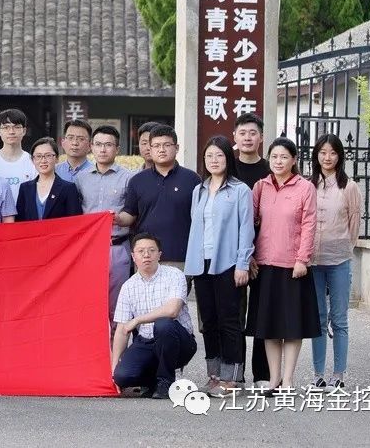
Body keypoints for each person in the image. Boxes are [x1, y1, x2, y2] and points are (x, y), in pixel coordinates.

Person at [246, 137, 320, 394]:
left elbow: (309, 225)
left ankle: (288, 380)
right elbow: (250, 223)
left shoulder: (305, 188)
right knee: (269, 327)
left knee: (292, 326)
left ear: (294, 160)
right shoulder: (260, 186)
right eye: (274, 157)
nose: (278, 162)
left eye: (284, 157)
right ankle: (274, 378)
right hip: (264, 264)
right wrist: (249, 255)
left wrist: (302, 259)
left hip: (293, 267)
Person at [184, 135, 254, 396]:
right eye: (209, 156)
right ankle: (213, 375)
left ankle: (232, 378)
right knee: (209, 321)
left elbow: (246, 229)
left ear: (228, 158)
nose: (214, 160)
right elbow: (195, 229)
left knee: (229, 320)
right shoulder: (198, 191)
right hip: (201, 263)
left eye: (219, 155)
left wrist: (243, 263)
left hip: (228, 262)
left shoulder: (240, 190)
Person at [112, 232, 197, 400]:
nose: (146, 255)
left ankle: (166, 381)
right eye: (141, 251)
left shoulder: (174, 275)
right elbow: (122, 329)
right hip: (147, 342)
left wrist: (137, 320)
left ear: (159, 254)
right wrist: (113, 369)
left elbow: (172, 311)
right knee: (122, 377)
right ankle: (153, 381)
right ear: (133, 256)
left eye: (151, 250)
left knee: (163, 324)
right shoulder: (128, 286)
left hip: (179, 341)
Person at [309, 133, 361, 390]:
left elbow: (354, 224)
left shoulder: (349, 187)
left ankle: (338, 375)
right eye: (322, 152)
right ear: (316, 155)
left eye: (332, 152)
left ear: (340, 156)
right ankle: (318, 374)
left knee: (339, 319)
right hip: (312, 262)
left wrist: (344, 247)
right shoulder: (308, 185)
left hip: (339, 260)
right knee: (318, 318)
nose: (327, 157)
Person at [74, 125, 136, 323]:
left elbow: (132, 213)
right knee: (89, 302)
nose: (102, 149)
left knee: (117, 305)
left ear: (117, 149)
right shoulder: (80, 179)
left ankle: (116, 343)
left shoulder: (129, 178)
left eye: (108, 145)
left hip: (116, 247)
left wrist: (118, 218)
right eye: (98, 144)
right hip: (88, 248)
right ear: (91, 146)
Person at [122, 124, 201, 271]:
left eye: (166, 145)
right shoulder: (137, 180)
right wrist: (116, 219)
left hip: (182, 257)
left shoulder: (192, 179)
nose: (161, 149)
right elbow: (130, 214)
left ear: (176, 148)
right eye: (156, 146)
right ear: (150, 149)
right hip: (147, 258)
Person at [233, 112, 272, 386]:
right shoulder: (227, 169)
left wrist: (256, 254)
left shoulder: (272, 170)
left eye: (253, 133)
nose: (248, 138)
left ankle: (263, 375)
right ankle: (235, 374)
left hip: (266, 254)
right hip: (233, 255)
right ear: (235, 137)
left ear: (261, 137)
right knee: (234, 316)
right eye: (243, 133)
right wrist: (243, 255)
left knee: (262, 314)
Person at [16, 137, 82, 221]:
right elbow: (19, 221)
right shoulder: (25, 188)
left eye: (48, 155)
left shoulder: (68, 188)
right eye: (38, 156)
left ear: (57, 158)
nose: (43, 160)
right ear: (33, 160)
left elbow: (75, 222)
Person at [0, 108, 37, 202]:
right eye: (6, 127)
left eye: (16, 127)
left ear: (24, 131)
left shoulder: (33, 162)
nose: (11, 132)